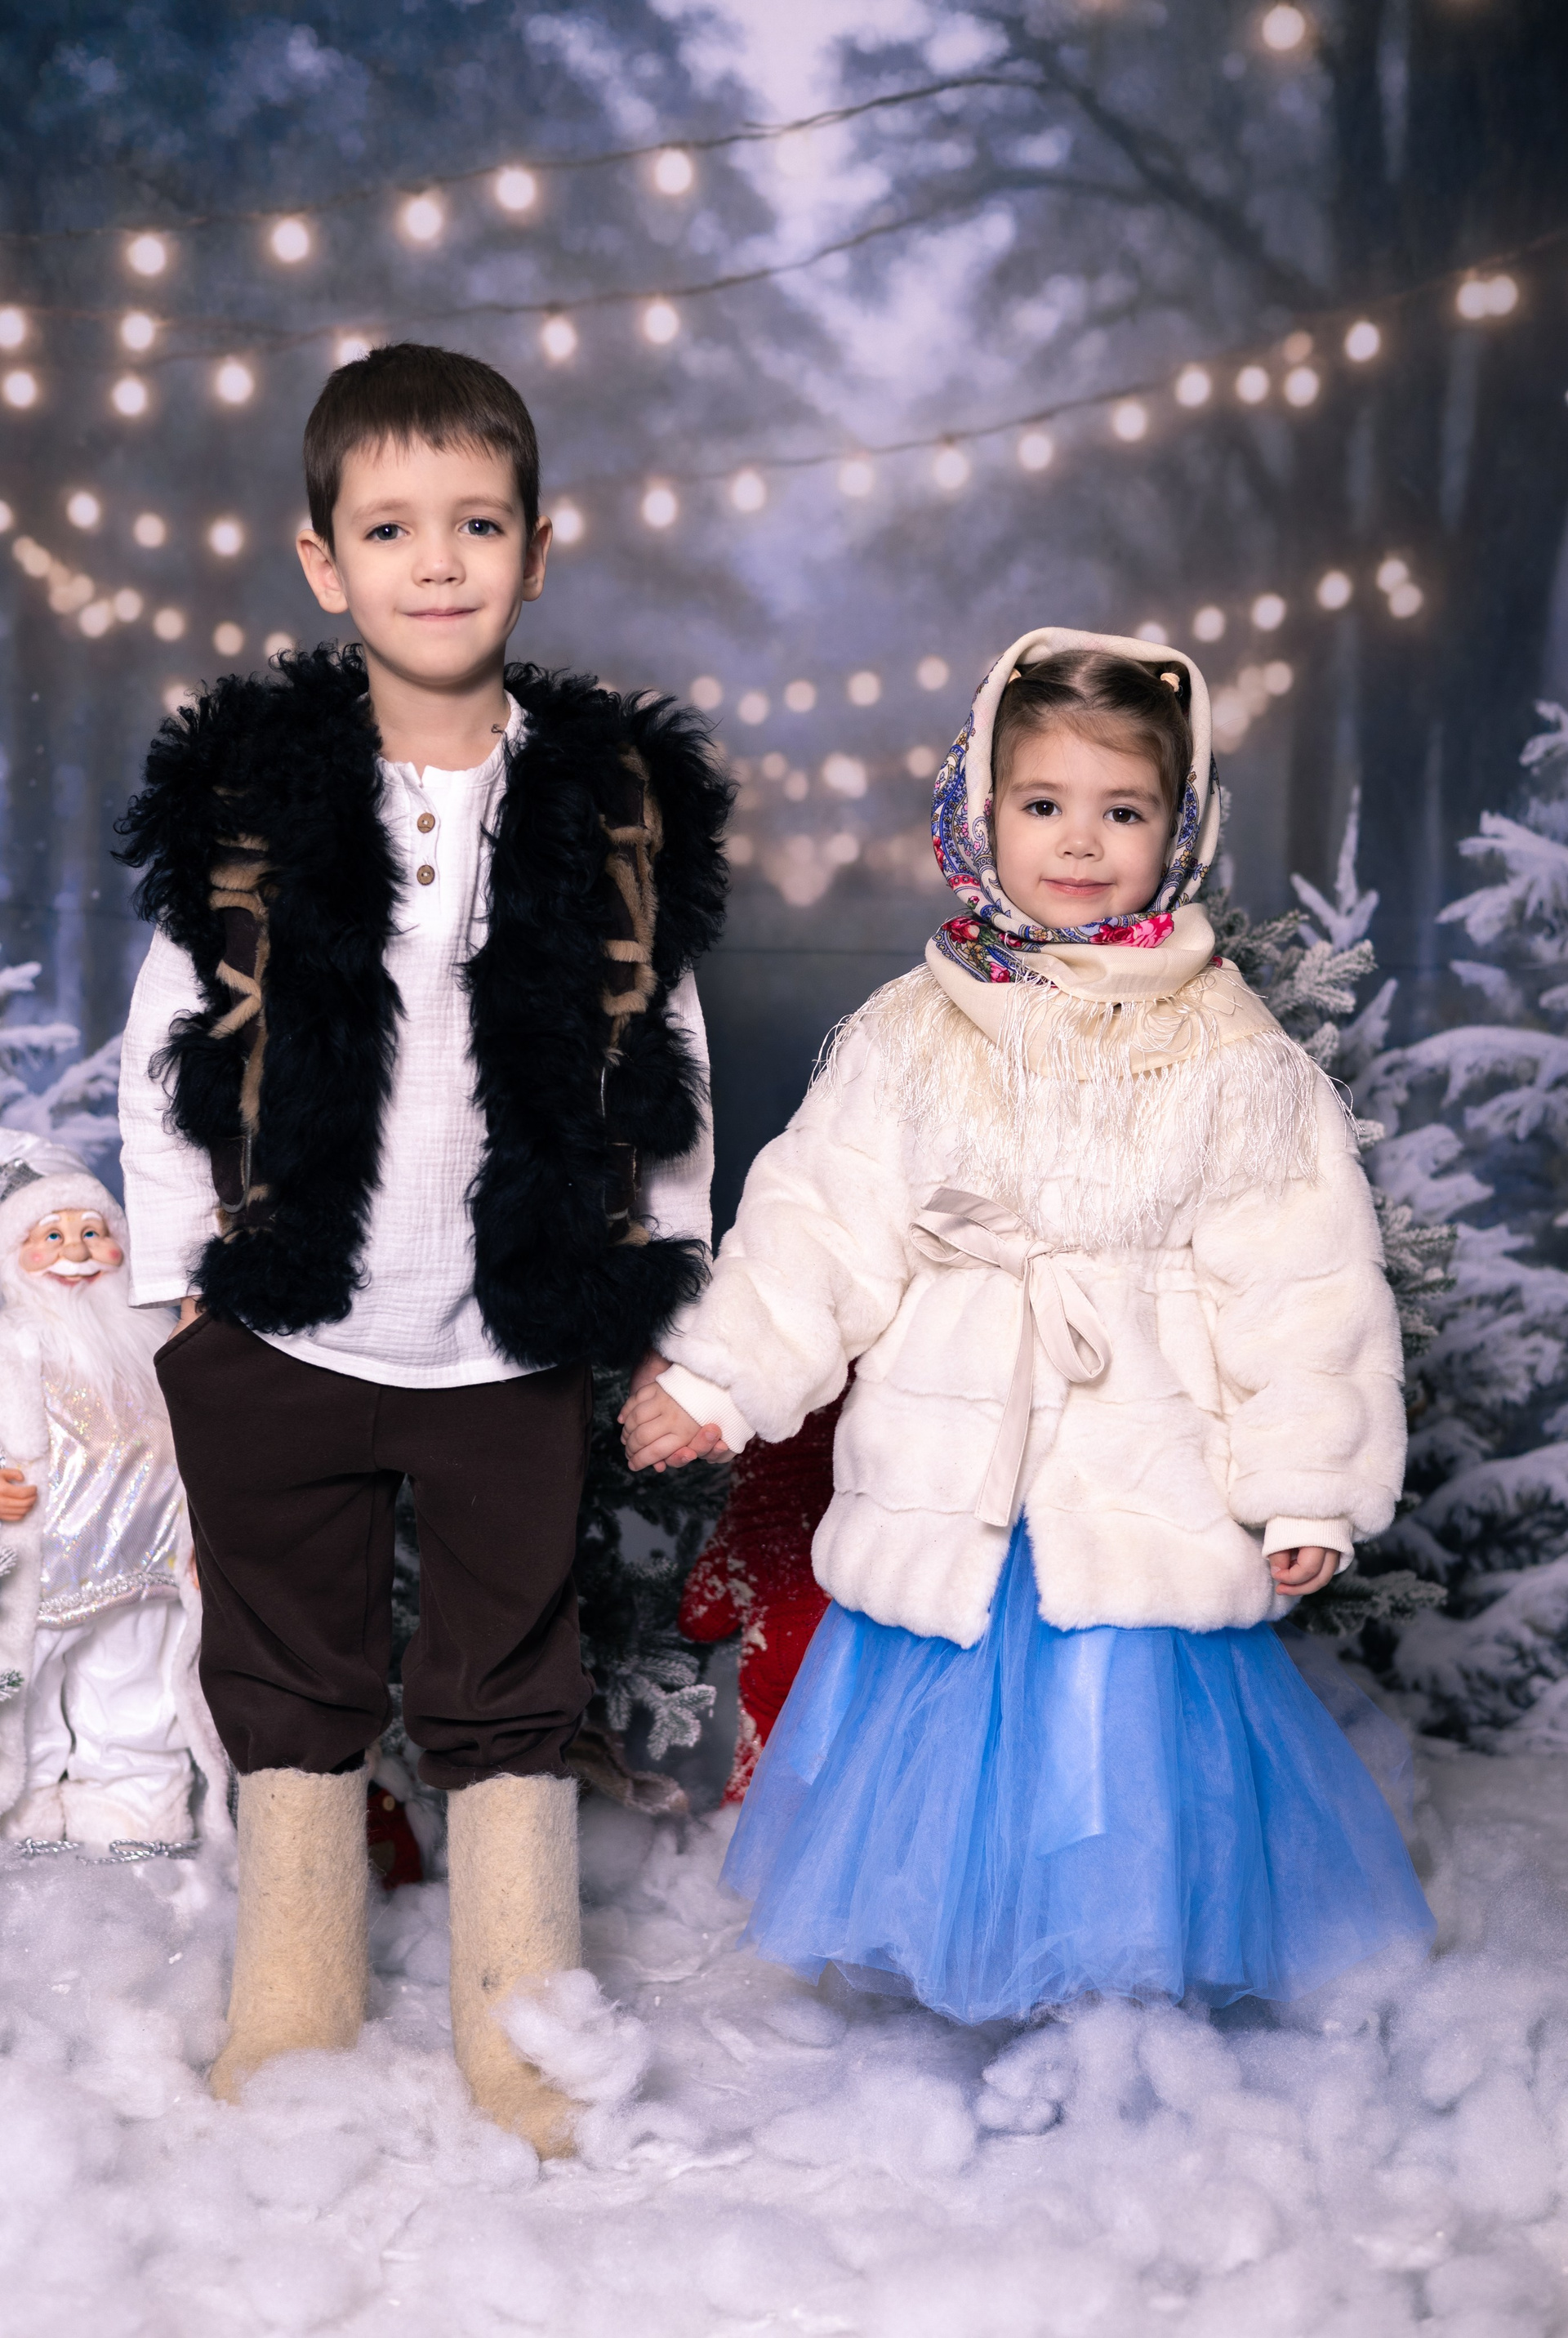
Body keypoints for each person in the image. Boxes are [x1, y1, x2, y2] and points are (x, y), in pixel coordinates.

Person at [622, 626, 1434, 2023]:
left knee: (1115, 1728)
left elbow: (1304, 1288)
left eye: (1124, 811)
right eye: (1045, 803)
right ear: (981, 810)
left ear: (1179, 831)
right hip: (954, 1462)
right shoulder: (912, 1030)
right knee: (954, 1731)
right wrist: (718, 1375)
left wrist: (1309, 1482)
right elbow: (822, 1221)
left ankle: (1114, 1977)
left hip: (1142, 1470)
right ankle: (962, 1946)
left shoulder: (1235, 1055)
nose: (1080, 842)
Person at [117, 342, 728, 2147]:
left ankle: (520, 2021)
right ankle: (293, 1998)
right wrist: (175, 1301)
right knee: (287, 1664)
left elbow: (666, 1053)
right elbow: (171, 1045)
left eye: (476, 523)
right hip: (285, 1326)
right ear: (325, 563)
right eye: (390, 528)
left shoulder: (603, 810)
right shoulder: (260, 803)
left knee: (507, 1671)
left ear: (538, 547)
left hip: (501, 1336)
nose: (437, 560)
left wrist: (662, 1280)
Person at [0, 1136, 227, 1851]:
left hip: (145, 1559)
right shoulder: (10, 1344)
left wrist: (206, 1536)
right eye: (52, 1236)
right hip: (44, 1565)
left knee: (137, 1690)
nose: (77, 1251)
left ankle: (136, 1807)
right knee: (24, 1694)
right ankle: (22, 1806)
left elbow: (203, 1444)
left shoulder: (155, 1339)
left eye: (93, 1231)